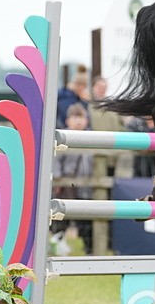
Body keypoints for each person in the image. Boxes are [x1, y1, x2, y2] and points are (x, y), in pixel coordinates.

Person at [53, 103, 95, 250]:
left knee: (86, 218)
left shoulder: (93, 137)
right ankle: (58, 242)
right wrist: (58, 179)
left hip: (88, 185)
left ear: (87, 120)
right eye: (74, 117)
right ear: (67, 120)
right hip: (67, 185)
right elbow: (56, 160)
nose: (78, 121)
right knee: (62, 216)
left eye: (81, 117)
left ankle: (89, 248)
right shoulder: (62, 137)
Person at [88, 76, 124, 179]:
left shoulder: (113, 106)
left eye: (104, 87)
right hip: (97, 151)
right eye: (99, 86)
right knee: (100, 182)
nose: (101, 89)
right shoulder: (89, 106)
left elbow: (121, 126)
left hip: (114, 152)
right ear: (93, 87)